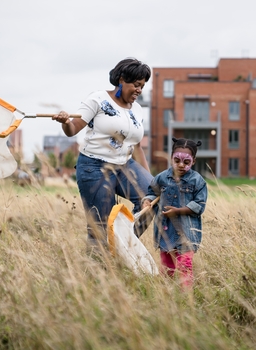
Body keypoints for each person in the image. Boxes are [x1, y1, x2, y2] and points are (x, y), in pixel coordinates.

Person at [52, 58, 153, 249]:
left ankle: (124, 247)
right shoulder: (98, 99)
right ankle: (96, 272)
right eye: (136, 84)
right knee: (99, 227)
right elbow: (73, 129)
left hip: (125, 165)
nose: (139, 90)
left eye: (142, 86)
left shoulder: (137, 109)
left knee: (152, 199)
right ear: (122, 80)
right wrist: (65, 122)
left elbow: (137, 146)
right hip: (94, 166)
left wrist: (152, 181)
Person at [142, 137, 208, 289]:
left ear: (194, 161)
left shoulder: (197, 181)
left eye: (186, 162)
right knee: (167, 266)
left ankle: (186, 296)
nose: (181, 165)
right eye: (177, 160)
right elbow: (152, 192)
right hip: (165, 231)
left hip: (186, 232)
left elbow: (199, 204)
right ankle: (166, 294)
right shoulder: (162, 177)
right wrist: (148, 201)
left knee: (185, 264)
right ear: (171, 157)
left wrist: (178, 211)